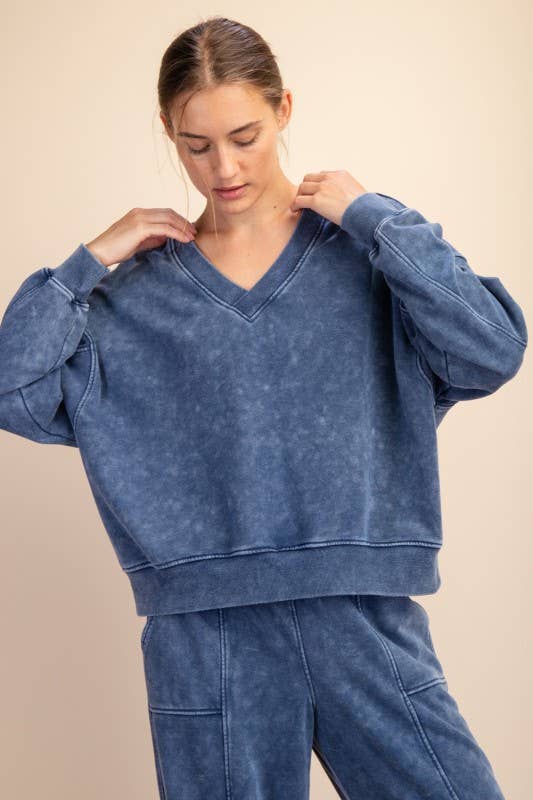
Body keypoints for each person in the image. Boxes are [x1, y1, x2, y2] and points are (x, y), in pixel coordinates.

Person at [1, 15, 527, 800]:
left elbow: (490, 349)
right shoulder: (131, 301)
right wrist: (86, 265)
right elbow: (12, 390)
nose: (224, 167)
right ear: (167, 132)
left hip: (361, 613)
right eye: (196, 145)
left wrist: (377, 217)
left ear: (284, 109)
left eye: (244, 136)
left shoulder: (368, 257)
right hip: (204, 636)